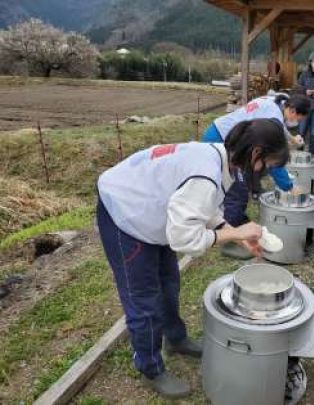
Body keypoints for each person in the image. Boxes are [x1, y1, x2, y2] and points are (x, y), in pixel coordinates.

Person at [96, 119, 289, 399]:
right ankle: (149, 367)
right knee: (143, 299)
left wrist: (233, 232)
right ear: (255, 153)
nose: (265, 172)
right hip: (126, 212)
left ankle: (175, 338)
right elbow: (184, 239)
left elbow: (201, 206)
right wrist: (227, 235)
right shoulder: (207, 173)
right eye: (267, 165)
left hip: (154, 209)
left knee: (169, 282)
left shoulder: (220, 156)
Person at [202, 94, 310, 241]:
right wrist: (288, 186)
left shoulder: (275, 102)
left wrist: (291, 140)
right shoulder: (275, 117)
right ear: (292, 110)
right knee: (237, 189)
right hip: (221, 139)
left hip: (221, 131)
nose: (296, 122)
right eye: (298, 118)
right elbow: (273, 160)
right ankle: (232, 236)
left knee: (235, 183)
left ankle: (227, 219)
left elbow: (280, 129)